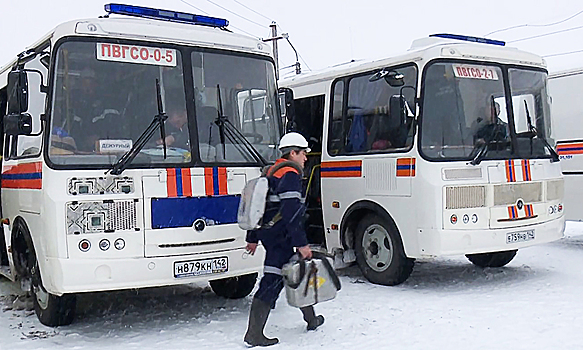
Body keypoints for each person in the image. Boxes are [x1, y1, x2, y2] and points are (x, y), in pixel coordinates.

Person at [243, 132, 324, 347]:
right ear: (293, 153)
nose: (306, 158)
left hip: (270, 233)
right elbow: (291, 212)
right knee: (273, 279)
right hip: (282, 237)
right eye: (303, 153)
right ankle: (254, 333)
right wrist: (302, 243)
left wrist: (252, 237)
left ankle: (311, 319)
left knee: (296, 273)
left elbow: (258, 207)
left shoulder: (270, 171)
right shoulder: (288, 174)